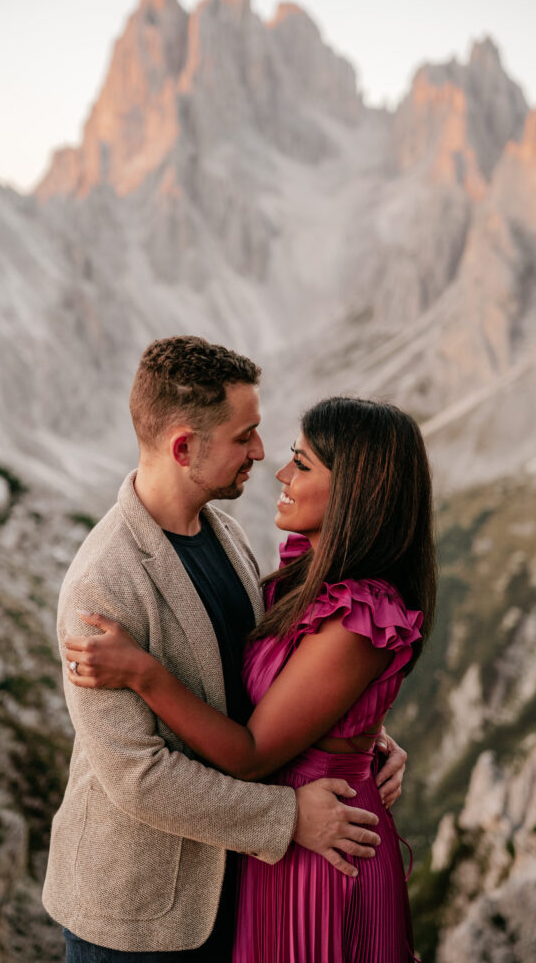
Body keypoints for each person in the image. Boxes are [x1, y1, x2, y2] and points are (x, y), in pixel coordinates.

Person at [43, 337, 408, 962]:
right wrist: (289, 815)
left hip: (232, 895)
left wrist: (358, 733)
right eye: (246, 436)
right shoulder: (102, 583)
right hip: (138, 919)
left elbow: (270, 675)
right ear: (185, 447)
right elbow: (139, 776)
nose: (261, 454)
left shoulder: (226, 533)